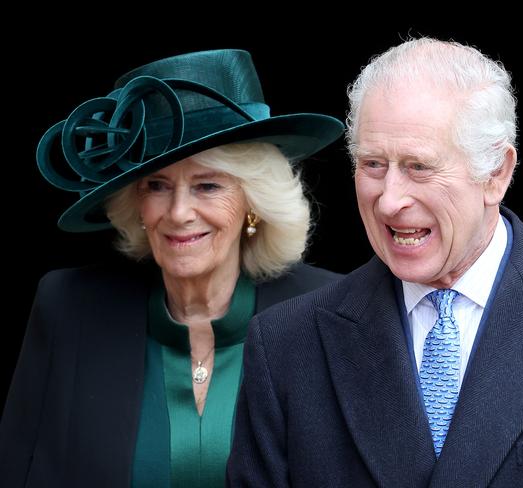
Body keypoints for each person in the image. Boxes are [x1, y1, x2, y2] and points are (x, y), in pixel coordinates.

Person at [226, 38, 523, 487]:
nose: (389, 201)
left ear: (496, 174)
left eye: (418, 167)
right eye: (373, 164)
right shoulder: (286, 344)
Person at [0, 49, 344, 487]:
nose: (179, 212)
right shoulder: (69, 309)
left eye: (207, 185)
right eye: (157, 185)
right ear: (135, 205)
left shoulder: (329, 314)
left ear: (253, 204)